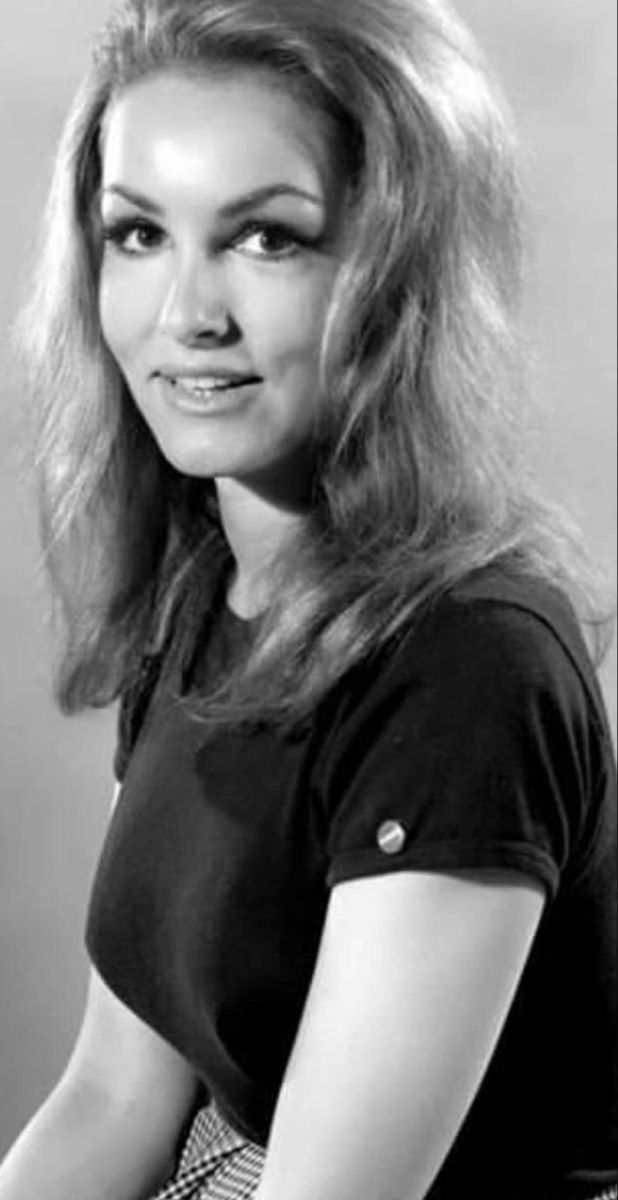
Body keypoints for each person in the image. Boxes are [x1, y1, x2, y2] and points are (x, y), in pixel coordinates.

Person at [1, 0, 616, 1196]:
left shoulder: (468, 670)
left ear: (403, 274)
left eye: (268, 239)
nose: (189, 315)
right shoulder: (205, 586)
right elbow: (114, 1098)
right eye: (137, 234)